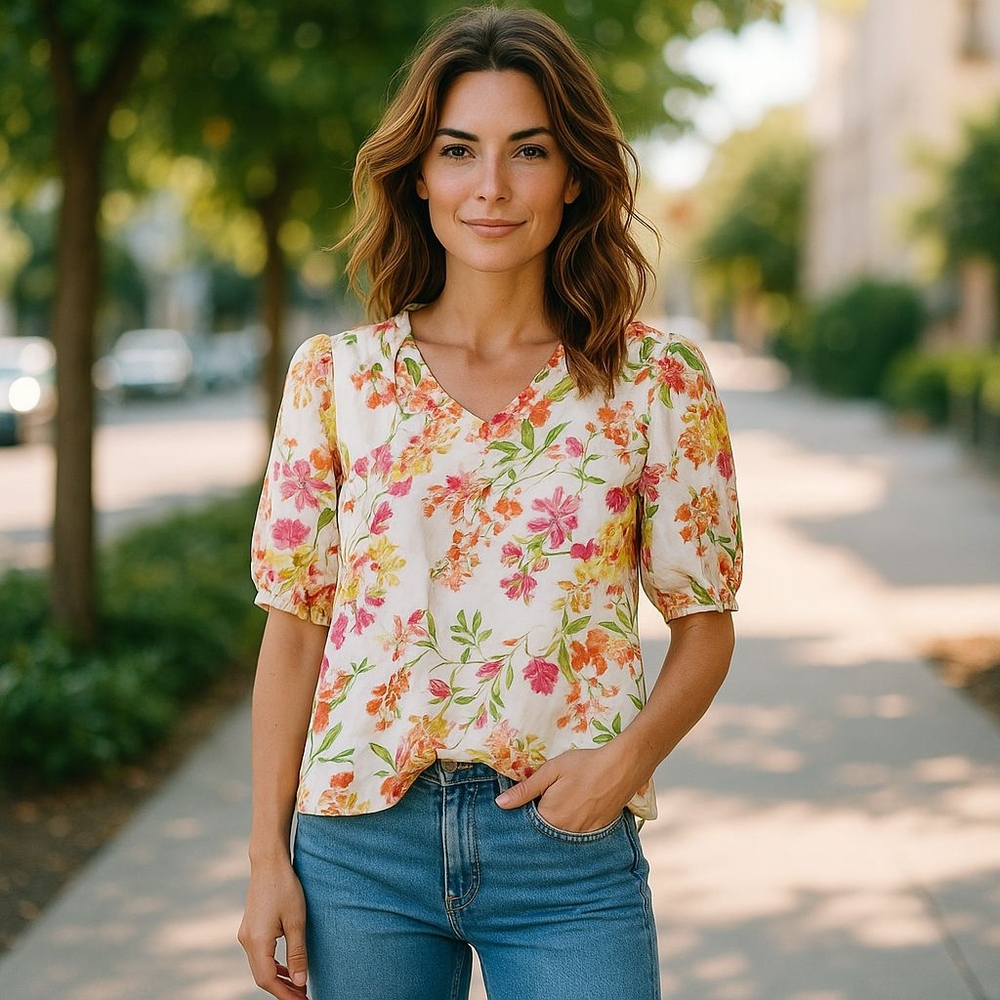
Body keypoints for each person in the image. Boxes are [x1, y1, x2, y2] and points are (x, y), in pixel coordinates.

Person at [238, 6, 742, 1000]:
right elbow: (294, 630)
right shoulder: (337, 378)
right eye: (459, 150)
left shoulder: (656, 380)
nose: (492, 186)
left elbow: (706, 622)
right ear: (418, 172)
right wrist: (265, 860)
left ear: (574, 176)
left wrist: (625, 759)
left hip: (566, 850)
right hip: (358, 855)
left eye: (529, 151)